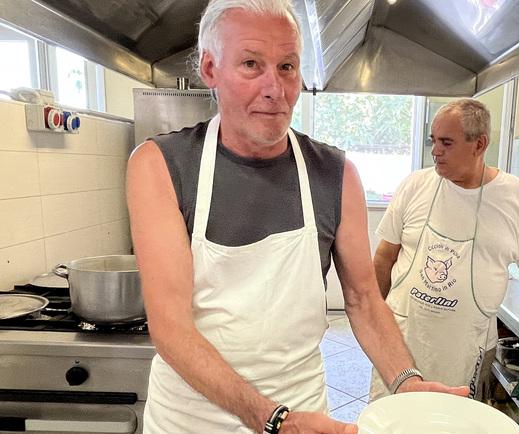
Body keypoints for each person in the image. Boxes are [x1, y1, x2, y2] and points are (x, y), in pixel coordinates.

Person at [126, 1, 466, 432]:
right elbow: (170, 325)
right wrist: (271, 420)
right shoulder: (159, 164)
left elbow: (363, 298)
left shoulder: (335, 173)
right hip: (191, 420)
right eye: (251, 64)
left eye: (287, 67)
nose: (275, 88)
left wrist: (405, 380)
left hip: (302, 409)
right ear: (211, 69)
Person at [369, 99, 519, 401]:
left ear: (479, 144)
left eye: (446, 143)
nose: (435, 151)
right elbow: (384, 258)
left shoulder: (513, 196)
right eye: (433, 141)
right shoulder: (415, 186)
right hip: (404, 339)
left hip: (466, 347)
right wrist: (372, 318)